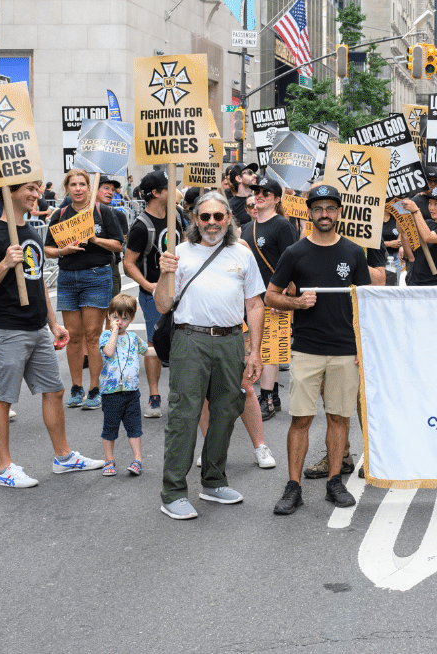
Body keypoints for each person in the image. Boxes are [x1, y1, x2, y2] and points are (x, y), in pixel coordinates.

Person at [0, 180, 104, 488]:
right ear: (9, 192)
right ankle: (4, 469)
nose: (35, 194)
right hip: (6, 330)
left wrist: (53, 322)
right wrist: (5, 264)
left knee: (55, 391)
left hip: (37, 328)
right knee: (2, 398)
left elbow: (37, 281)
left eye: (36, 188)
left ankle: (64, 457)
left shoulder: (31, 232)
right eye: (28, 189)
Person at [155, 190, 266, 520]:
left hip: (232, 341)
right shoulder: (178, 254)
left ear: (229, 219)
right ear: (195, 219)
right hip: (190, 340)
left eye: (219, 216)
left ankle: (214, 481)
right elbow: (162, 305)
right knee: (184, 415)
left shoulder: (242, 254)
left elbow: (255, 305)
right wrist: (164, 272)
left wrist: (255, 352)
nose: (213, 223)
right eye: (206, 217)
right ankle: (173, 492)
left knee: (226, 409)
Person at [266, 184, 373, 516]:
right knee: (301, 419)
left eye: (330, 208)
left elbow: (364, 304)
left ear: (339, 212)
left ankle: (334, 481)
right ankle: (294, 486)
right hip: (308, 349)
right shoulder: (295, 253)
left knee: (339, 418)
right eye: (318, 209)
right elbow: (271, 296)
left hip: (344, 350)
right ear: (309, 213)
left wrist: (362, 346)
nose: (324, 214)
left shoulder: (355, 253)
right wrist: (296, 302)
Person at [45, 169, 125, 411]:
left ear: (89, 188)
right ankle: (76, 387)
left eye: (82, 184)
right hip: (68, 277)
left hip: (97, 276)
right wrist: (63, 251)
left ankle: (95, 389)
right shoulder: (59, 215)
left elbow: (118, 244)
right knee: (73, 335)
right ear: (67, 188)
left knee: (92, 334)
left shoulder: (103, 212)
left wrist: (94, 240)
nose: (78, 189)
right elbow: (48, 248)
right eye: (73, 185)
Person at [122, 169, 187, 418]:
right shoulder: (141, 226)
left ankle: (179, 394)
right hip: (153, 295)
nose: (174, 191)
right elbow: (128, 263)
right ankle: (153, 396)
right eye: (169, 187)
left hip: (181, 292)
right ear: (157, 193)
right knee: (154, 344)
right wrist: (148, 286)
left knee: (182, 343)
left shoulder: (178, 216)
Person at [240, 177, 296, 421]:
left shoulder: (282, 225)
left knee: (270, 349)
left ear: (276, 198)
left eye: (266, 192)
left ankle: (268, 399)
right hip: (251, 298)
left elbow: (291, 261)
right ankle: (270, 395)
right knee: (254, 348)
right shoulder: (246, 227)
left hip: (273, 296)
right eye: (257, 191)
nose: (259, 195)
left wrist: (282, 293)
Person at [98, 293, 145, 478]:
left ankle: (137, 459)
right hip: (111, 392)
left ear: (131, 319)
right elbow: (108, 352)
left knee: (134, 427)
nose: (119, 322)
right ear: (109, 316)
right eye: (115, 317)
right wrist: (114, 331)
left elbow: (146, 350)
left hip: (131, 391)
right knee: (110, 428)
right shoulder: (106, 336)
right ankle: (109, 460)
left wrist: (164, 352)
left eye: (124, 319)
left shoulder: (133, 338)